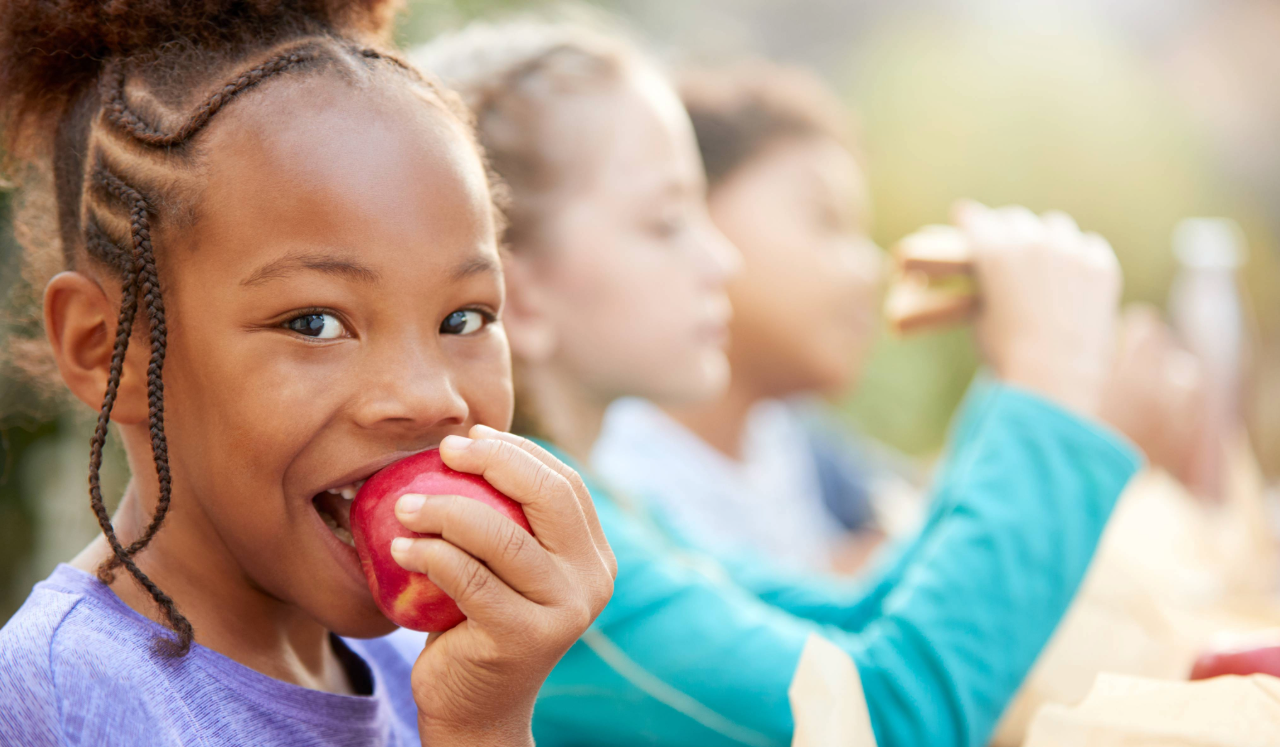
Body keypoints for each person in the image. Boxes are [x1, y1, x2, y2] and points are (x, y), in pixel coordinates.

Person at [404, 20, 1140, 747]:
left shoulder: (603, 502)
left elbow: (853, 624)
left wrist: (1017, 389)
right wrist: (1047, 385)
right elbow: (876, 720)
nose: (720, 259)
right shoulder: (523, 546)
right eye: (665, 222)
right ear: (519, 290)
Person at [0, 3, 615, 746]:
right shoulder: (66, 699)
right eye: (314, 322)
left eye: (464, 319)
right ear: (107, 350)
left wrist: (484, 720)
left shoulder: (412, 661)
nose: (430, 397)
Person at [592, 62, 891, 571]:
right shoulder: (613, 491)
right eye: (826, 218)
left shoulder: (799, 443)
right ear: (688, 208)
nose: (872, 269)